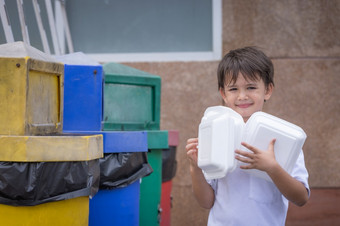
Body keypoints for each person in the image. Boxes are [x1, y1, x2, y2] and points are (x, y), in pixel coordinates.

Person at [186, 46, 310, 226]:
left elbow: (301, 198)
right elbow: (206, 202)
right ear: (223, 94)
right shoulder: (216, 134)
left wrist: (272, 168)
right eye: (233, 89)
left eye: (251, 87)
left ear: (267, 90)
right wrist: (195, 168)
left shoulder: (284, 138)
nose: (242, 96)